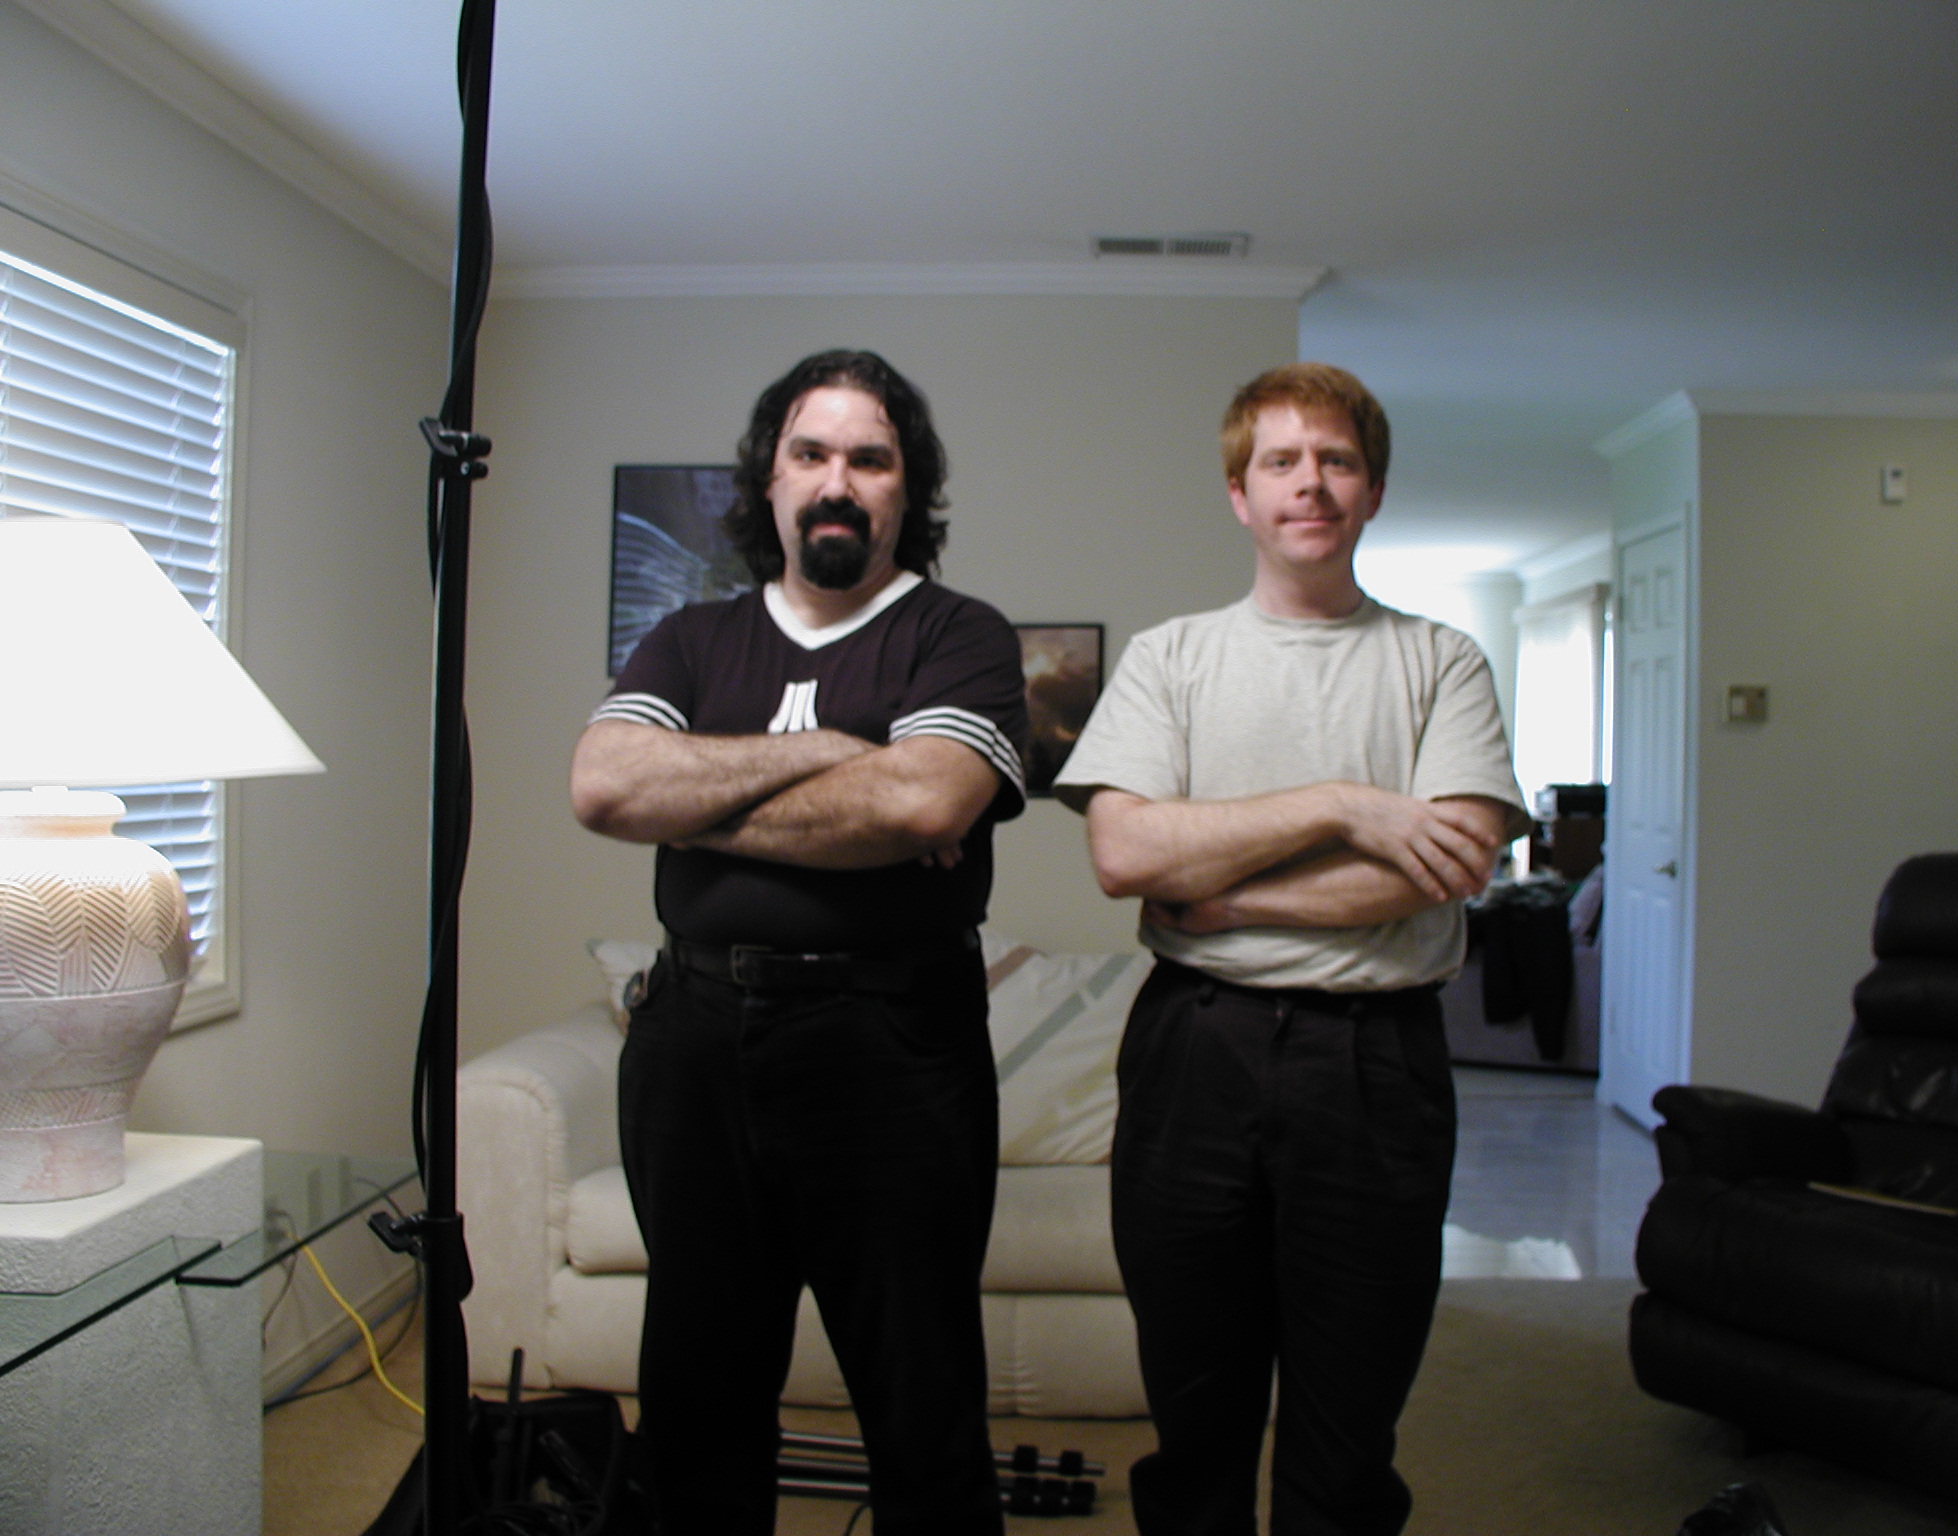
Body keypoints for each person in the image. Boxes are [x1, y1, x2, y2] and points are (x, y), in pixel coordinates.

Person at [1053, 362, 1529, 1536]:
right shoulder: (1170, 658)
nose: (1308, 483)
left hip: (1374, 1062)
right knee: (1194, 1414)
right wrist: (1341, 805)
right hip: (1193, 1051)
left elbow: (1451, 861)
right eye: (1280, 461)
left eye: (1336, 461)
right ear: (1239, 493)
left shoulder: (1441, 660)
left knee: (1347, 1427)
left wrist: (1222, 893)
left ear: (1372, 492)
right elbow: (1123, 851)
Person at [570, 349, 1028, 1535]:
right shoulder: (690, 638)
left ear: (905, 489)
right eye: (809, 454)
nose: (836, 481)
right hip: (693, 1038)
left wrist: (698, 803)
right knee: (697, 1397)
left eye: (869, 459)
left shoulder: (959, 633)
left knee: (921, 1404)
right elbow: (606, 787)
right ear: (767, 481)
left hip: (893, 1043)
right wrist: (836, 753)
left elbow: (922, 804)